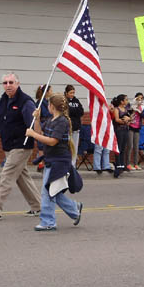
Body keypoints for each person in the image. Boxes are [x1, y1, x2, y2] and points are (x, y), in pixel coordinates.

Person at [0, 73, 41, 220]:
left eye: (11, 82)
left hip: (21, 146)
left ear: (18, 83)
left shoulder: (26, 102)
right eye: (5, 83)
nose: (8, 85)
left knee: (6, 176)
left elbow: (33, 127)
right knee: (22, 178)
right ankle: (39, 206)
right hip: (9, 146)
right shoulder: (3, 100)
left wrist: (42, 148)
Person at [25, 93, 83, 231]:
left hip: (59, 161)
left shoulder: (62, 121)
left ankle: (48, 222)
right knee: (53, 192)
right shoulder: (51, 120)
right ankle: (74, 209)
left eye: (48, 104)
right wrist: (37, 120)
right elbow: (41, 132)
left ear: (52, 106)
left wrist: (33, 135)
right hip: (51, 160)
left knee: (47, 192)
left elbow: (52, 141)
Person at [126, 92, 144, 170]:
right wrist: (134, 107)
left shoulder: (142, 106)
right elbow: (127, 111)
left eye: (141, 98)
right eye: (138, 98)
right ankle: (127, 163)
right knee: (130, 146)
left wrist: (139, 110)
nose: (139, 100)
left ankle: (135, 163)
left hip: (137, 128)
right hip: (130, 127)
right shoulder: (131, 104)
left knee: (136, 147)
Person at [112, 94, 131, 178]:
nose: (127, 101)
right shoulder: (117, 109)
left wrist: (129, 120)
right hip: (119, 130)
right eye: (126, 100)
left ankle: (123, 164)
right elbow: (116, 119)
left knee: (124, 147)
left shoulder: (126, 109)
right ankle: (118, 165)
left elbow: (130, 119)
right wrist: (124, 120)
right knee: (118, 147)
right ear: (121, 101)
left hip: (126, 130)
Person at [34, 85, 53, 171]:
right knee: (41, 145)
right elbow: (39, 116)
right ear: (47, 91)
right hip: (43, 123)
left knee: (47, 145)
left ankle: (45, 162)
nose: (52, 92)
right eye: (51, 90)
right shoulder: (40, 102)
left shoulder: (48, 101)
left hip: (49, 124)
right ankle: (41, 163)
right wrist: (40, 129)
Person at [65, 85, 84, 165]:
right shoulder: (64, 100)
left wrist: (73, 111)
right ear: (66, 93)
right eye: (71, 93)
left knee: (74, 147)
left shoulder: (76, 101)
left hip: (76, 127)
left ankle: (73, 165)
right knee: (67, 147)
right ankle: (67, 164)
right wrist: (74, 111)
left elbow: (81, 111)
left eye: (73, 92)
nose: (72, 94)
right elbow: (66, 111)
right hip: (67, 128)